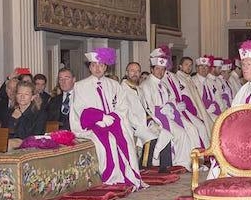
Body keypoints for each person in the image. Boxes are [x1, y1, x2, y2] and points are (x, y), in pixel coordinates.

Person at [70, 48, 143, 189]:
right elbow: (79, 109)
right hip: (92, 125)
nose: (98, 68)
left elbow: (122, 106)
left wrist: (112, 117)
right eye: (94, 65)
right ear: (90, 67)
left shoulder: (114, 85)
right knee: (108, 141)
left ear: (105, 67)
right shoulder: (80, 86)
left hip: (113, 122)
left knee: (125, 139)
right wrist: (99, 117)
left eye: (101, 65)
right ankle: (111, 175)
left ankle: (127, 174)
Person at [140, 46, 203, 170]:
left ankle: (187, 161)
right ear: (152, 69)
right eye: (157, 69)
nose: (160, 72)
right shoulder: (146, 85)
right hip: (157, 118)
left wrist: (172, 106)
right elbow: (147, 106)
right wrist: (161, 111)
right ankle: (180, 162)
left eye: (163, 69)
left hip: (170, 114)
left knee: (188, 131)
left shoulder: (163, 84)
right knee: (181, 134)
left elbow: (170, 98)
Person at [119, 62, 161, 168]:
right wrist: (140, 125)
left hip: (144, 122)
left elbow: (145, 108)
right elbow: (124, 111)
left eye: (137, 71)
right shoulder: (121, 89)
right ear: (126, 72)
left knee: (164, 133)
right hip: (131, 125)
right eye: (132, 71)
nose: (135, 73)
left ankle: (162, 165)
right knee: (150, 139)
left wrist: (152, 120)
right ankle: (144, 167)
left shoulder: (138, 88)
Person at [174, 57, 211, 148]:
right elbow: (183, 96)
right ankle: (199, 154)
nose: (189, 67)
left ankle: (206, 153)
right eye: (186, 65)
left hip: (194, 109)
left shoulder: (188, 78)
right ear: (180, 66)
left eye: (190, 65)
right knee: (200, 128)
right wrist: (193, 111)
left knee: (204, 126)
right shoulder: (177, 78)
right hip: (185, 110)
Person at [5, 81, 46, 149]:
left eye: (26, 94)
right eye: (19, 93)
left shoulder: (39, 114)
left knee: (9, 144)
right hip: (11, 143)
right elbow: (5, 134)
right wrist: (13, 119)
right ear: (16, 95)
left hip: (31, 145)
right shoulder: (10, 112)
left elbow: (34, 136)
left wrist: (19, 118)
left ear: (32, 97)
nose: (22, 97)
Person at [193, 55, 223, 120]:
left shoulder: (211, 82)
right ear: (197, 68)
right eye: (201, 66)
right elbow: (193, 101)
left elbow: (218, 98)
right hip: (201, 113)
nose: (204, 69)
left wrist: (223, 112)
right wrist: (205, 111)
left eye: (206, 66)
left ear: (209, 69)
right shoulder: (192, 82)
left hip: (215, 110)